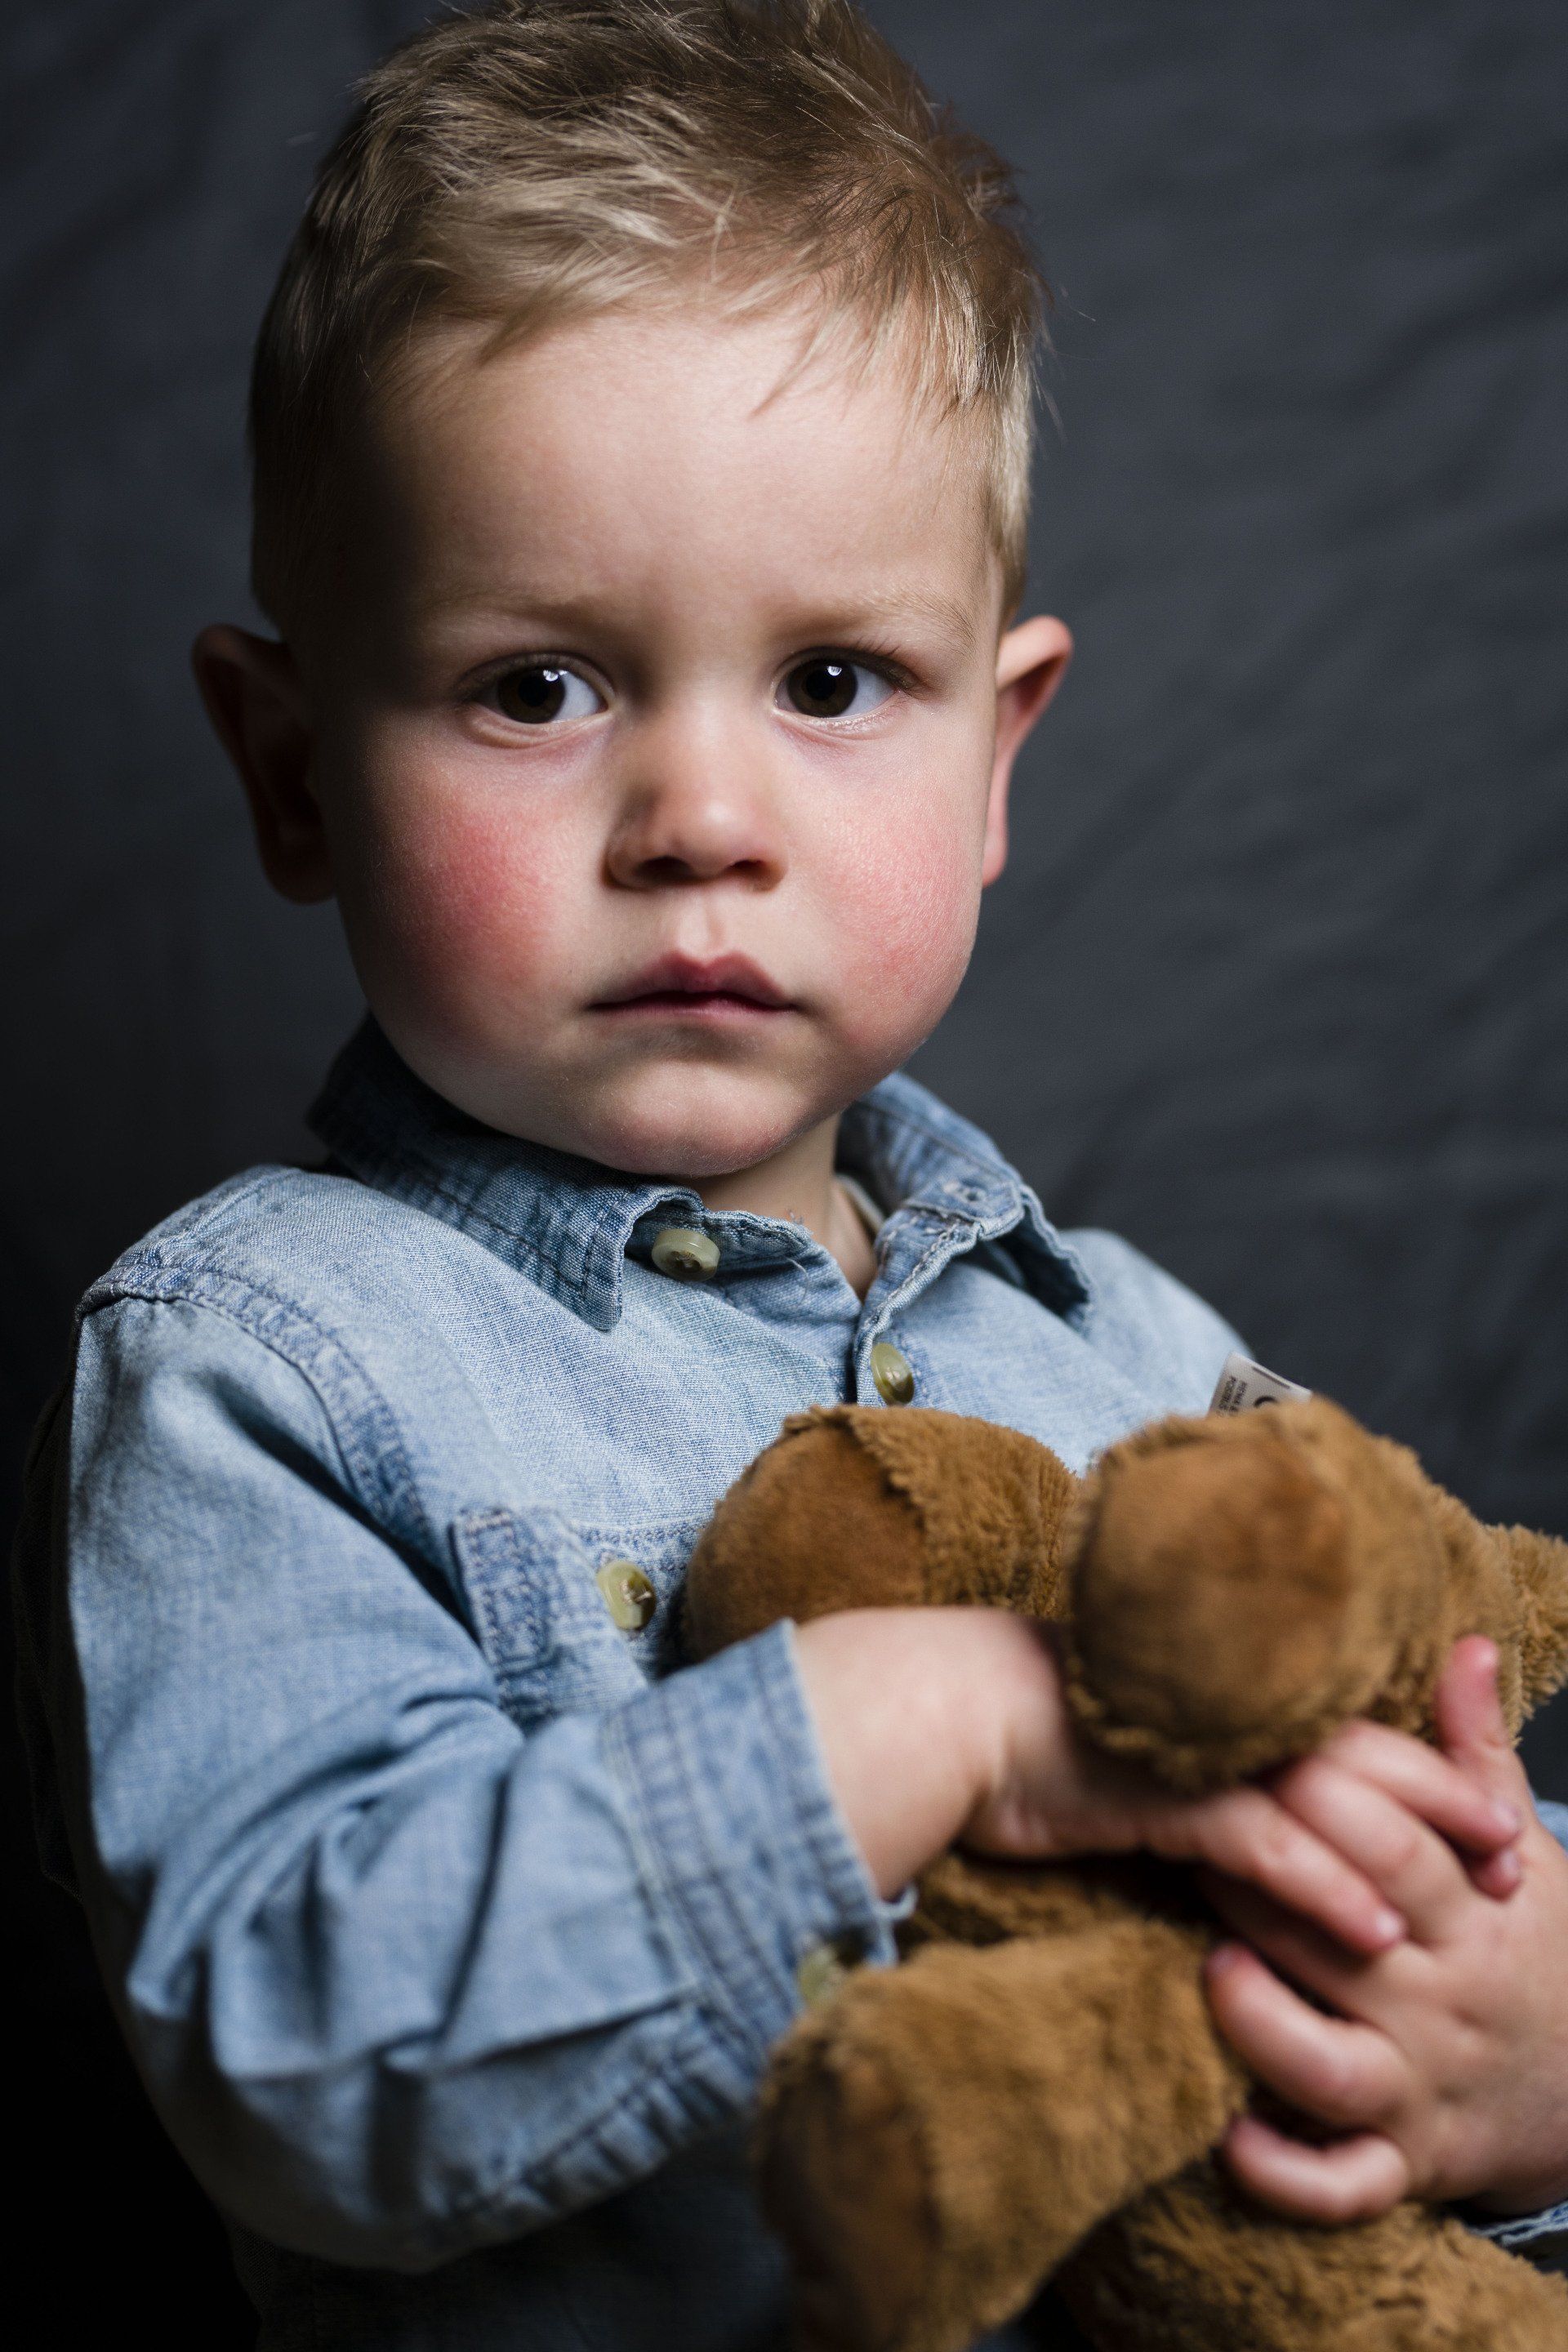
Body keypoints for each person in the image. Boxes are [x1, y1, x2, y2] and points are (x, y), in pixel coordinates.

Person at [14, 3, 1568, 2345]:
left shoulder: (1137, 1359)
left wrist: (1526, 2080)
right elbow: (303, 2050)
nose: (703, 820)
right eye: (540, 686)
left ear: (996, 758)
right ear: (294, 770)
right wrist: (943, 1724)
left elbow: (1433, 1873)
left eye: (835, 682)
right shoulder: (265, 1370)